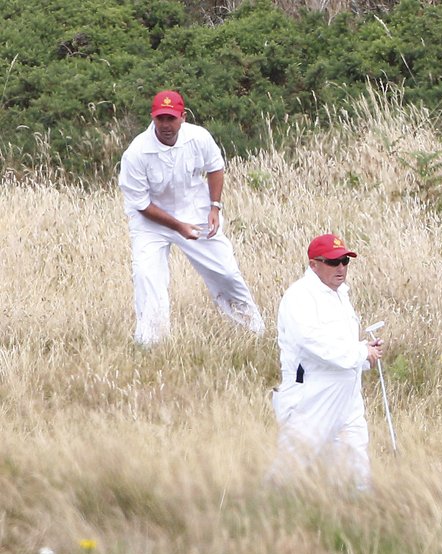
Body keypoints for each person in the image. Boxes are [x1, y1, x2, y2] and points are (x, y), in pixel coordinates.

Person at [119, 90, 264, 346]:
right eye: (160, 118)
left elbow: (215, 167)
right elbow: (140, 203)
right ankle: (151, 344)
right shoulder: (136, 153)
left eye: (171, 118)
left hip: (194, 211)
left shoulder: (199, 137)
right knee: (147, 278)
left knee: (227, 272)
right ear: (152, 118)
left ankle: (254, 332)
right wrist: (177, 226)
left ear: (182, 117)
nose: (165, 125)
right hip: (150, 222)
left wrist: (214, 208)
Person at [269, 234, 383, 490]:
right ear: (313, 264)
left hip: (348, 391)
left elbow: (341, 343)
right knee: (294, 462)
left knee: (355, 455)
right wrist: (359, 353)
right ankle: (270, 505)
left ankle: (357, 508)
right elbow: (313, 343)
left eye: (344, 261)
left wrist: (366, 356)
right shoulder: (299, 297)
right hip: (312, 392)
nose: (341, 268)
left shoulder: (341, 294)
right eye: (333, 262)